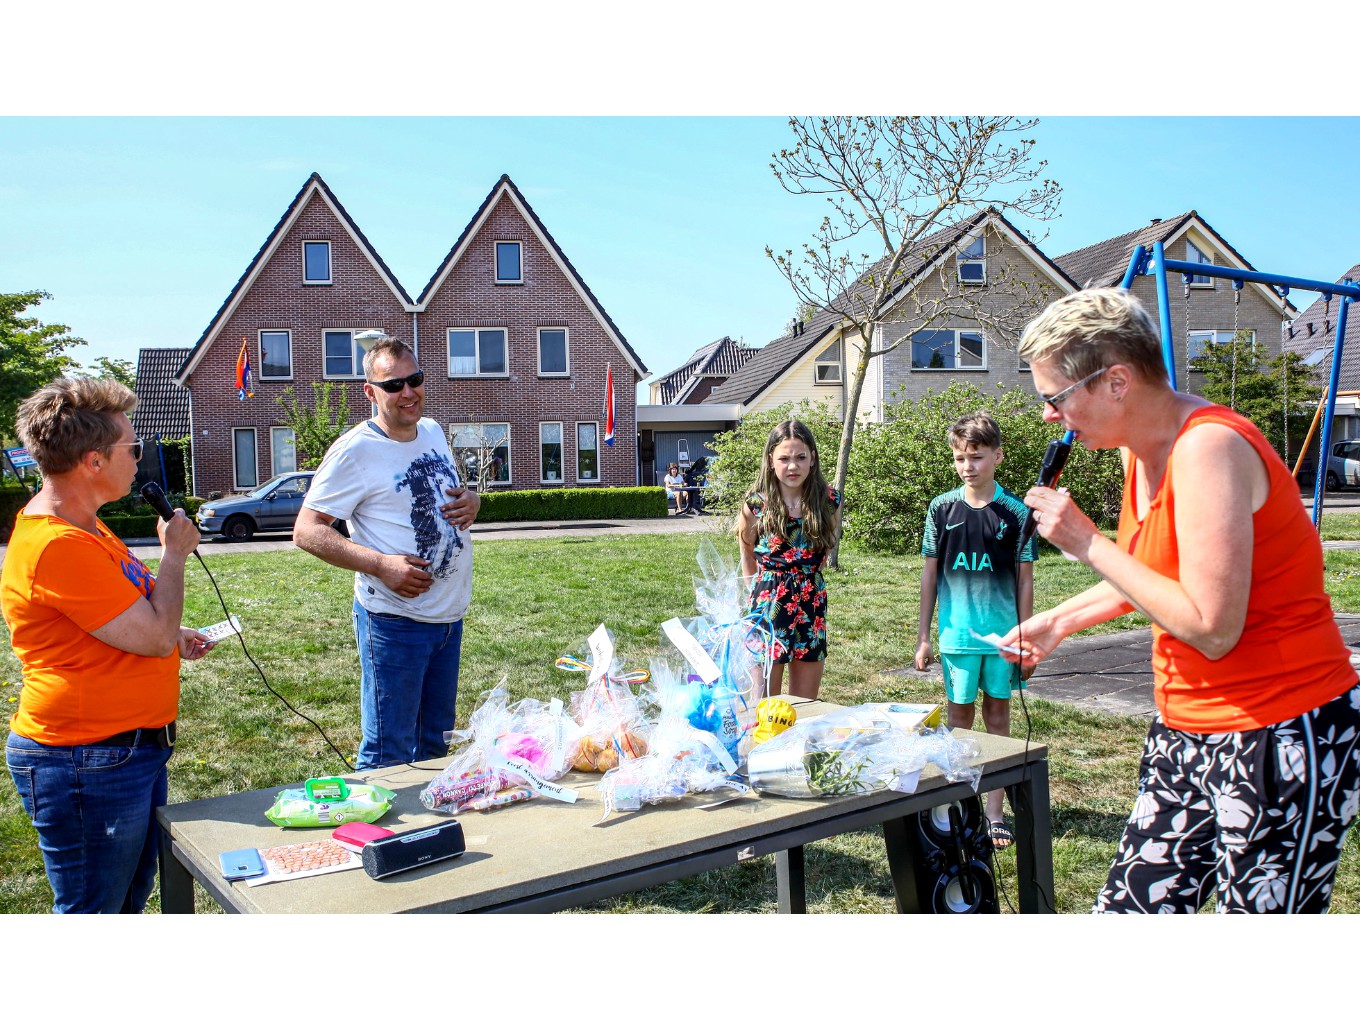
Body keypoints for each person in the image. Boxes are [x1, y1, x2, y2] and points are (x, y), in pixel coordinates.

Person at [998, 287, 1360, 913]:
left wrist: (1086, 541)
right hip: (1183, 728)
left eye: (1056, 397)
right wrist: (1060, 620)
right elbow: (1152, 575)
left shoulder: (1208, 448)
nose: (1050, 416)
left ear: (1116, 381)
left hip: (1279, 730)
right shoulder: (1139, 454)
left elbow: (1212, 625)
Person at [2, 377, 215, 913]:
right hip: (86, 760)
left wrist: (171, 638)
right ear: (93, 461)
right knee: (96, 912)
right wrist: (173, 556)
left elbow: (131, 620)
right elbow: (153, 633)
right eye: (134, 448)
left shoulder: (89, 529)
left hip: (120, 752)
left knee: (124, 903)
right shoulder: (58, 545)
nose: (140, 459)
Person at [293, 335, 480, 770]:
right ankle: (378, 838)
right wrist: (380, 565)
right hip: (394, 622)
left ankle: (424, 835)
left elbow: (445, 495)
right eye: (393, 385)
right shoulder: (355, 450)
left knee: (434, 746)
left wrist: (474, 501)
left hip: (447, 619)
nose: (408, 392)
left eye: (414, 379)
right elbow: (306, 530)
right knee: (388, 753)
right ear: (370, 392)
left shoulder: (431, 431)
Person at [915, 411, 1036, 850]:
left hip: (1003, 640)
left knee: (998, 718)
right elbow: (930, 575)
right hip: (957, 640)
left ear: (997, 457)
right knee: (959, 719)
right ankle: (959, 805)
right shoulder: (941, 508)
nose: (969, 465)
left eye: (978, 457)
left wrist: (1025, 639)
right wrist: (924, 636)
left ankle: (993, 809)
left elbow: (1025, 580)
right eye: (961, 457)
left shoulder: (1018, 513)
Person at [738, 420, 842, 699]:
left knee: (804, 704)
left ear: (813, 458)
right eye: (784, 458)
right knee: (764, 704)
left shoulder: (829, 501)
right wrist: (754, 590)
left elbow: (828, 542)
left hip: (811, 601)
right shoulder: (756, 504)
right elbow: (747, 550)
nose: (792, 466)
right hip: (768, 603)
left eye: (800, 457)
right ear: (771, 460)